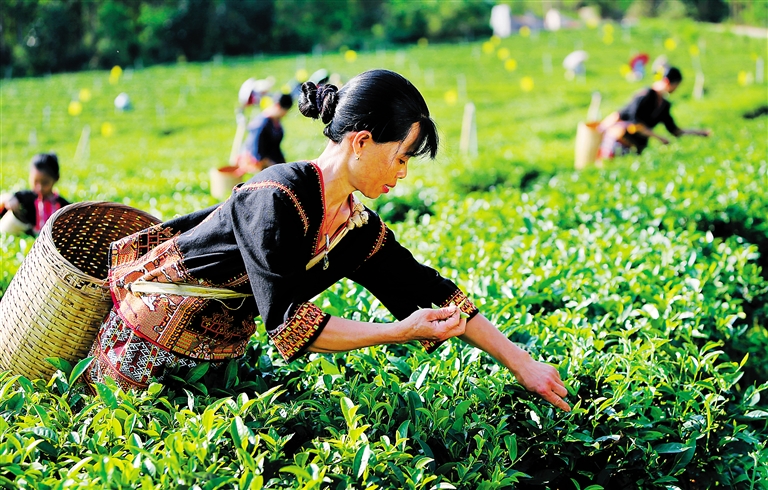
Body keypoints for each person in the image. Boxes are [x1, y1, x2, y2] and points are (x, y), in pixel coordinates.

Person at [84, 69, 570, 412]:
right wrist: (399, 332)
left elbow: (427, 289)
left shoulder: (352, 226)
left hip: (213, 355)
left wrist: (521, 362)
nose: (402, 174)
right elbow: (289, 327)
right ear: (360, 142)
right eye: (400, 157)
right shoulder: (275, 197)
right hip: (144, 352)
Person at [597, 66, 711, 160]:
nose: (675, 89)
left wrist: (699, 133)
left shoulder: (664, 105)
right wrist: (659, 137)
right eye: (675, 86)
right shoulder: (645, 95)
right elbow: (634, 123)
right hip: (619, 142)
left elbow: (674, 130)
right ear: (668, 82)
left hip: (637, 147)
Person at [0, 153, 70, 236]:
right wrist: (12, 200)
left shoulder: (60, 204)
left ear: (56, 178)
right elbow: (14, 197)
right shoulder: (28, 197)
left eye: (45, 183)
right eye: (35, 182)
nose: (39, 187)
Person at [237, 93, 294, 173]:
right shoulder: (261, 124)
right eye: (285, 111)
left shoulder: (275, 120)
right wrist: (276, 169)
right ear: (278, 106)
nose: (285, 114)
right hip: (260, 161)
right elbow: (256, 152)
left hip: (272, 158)